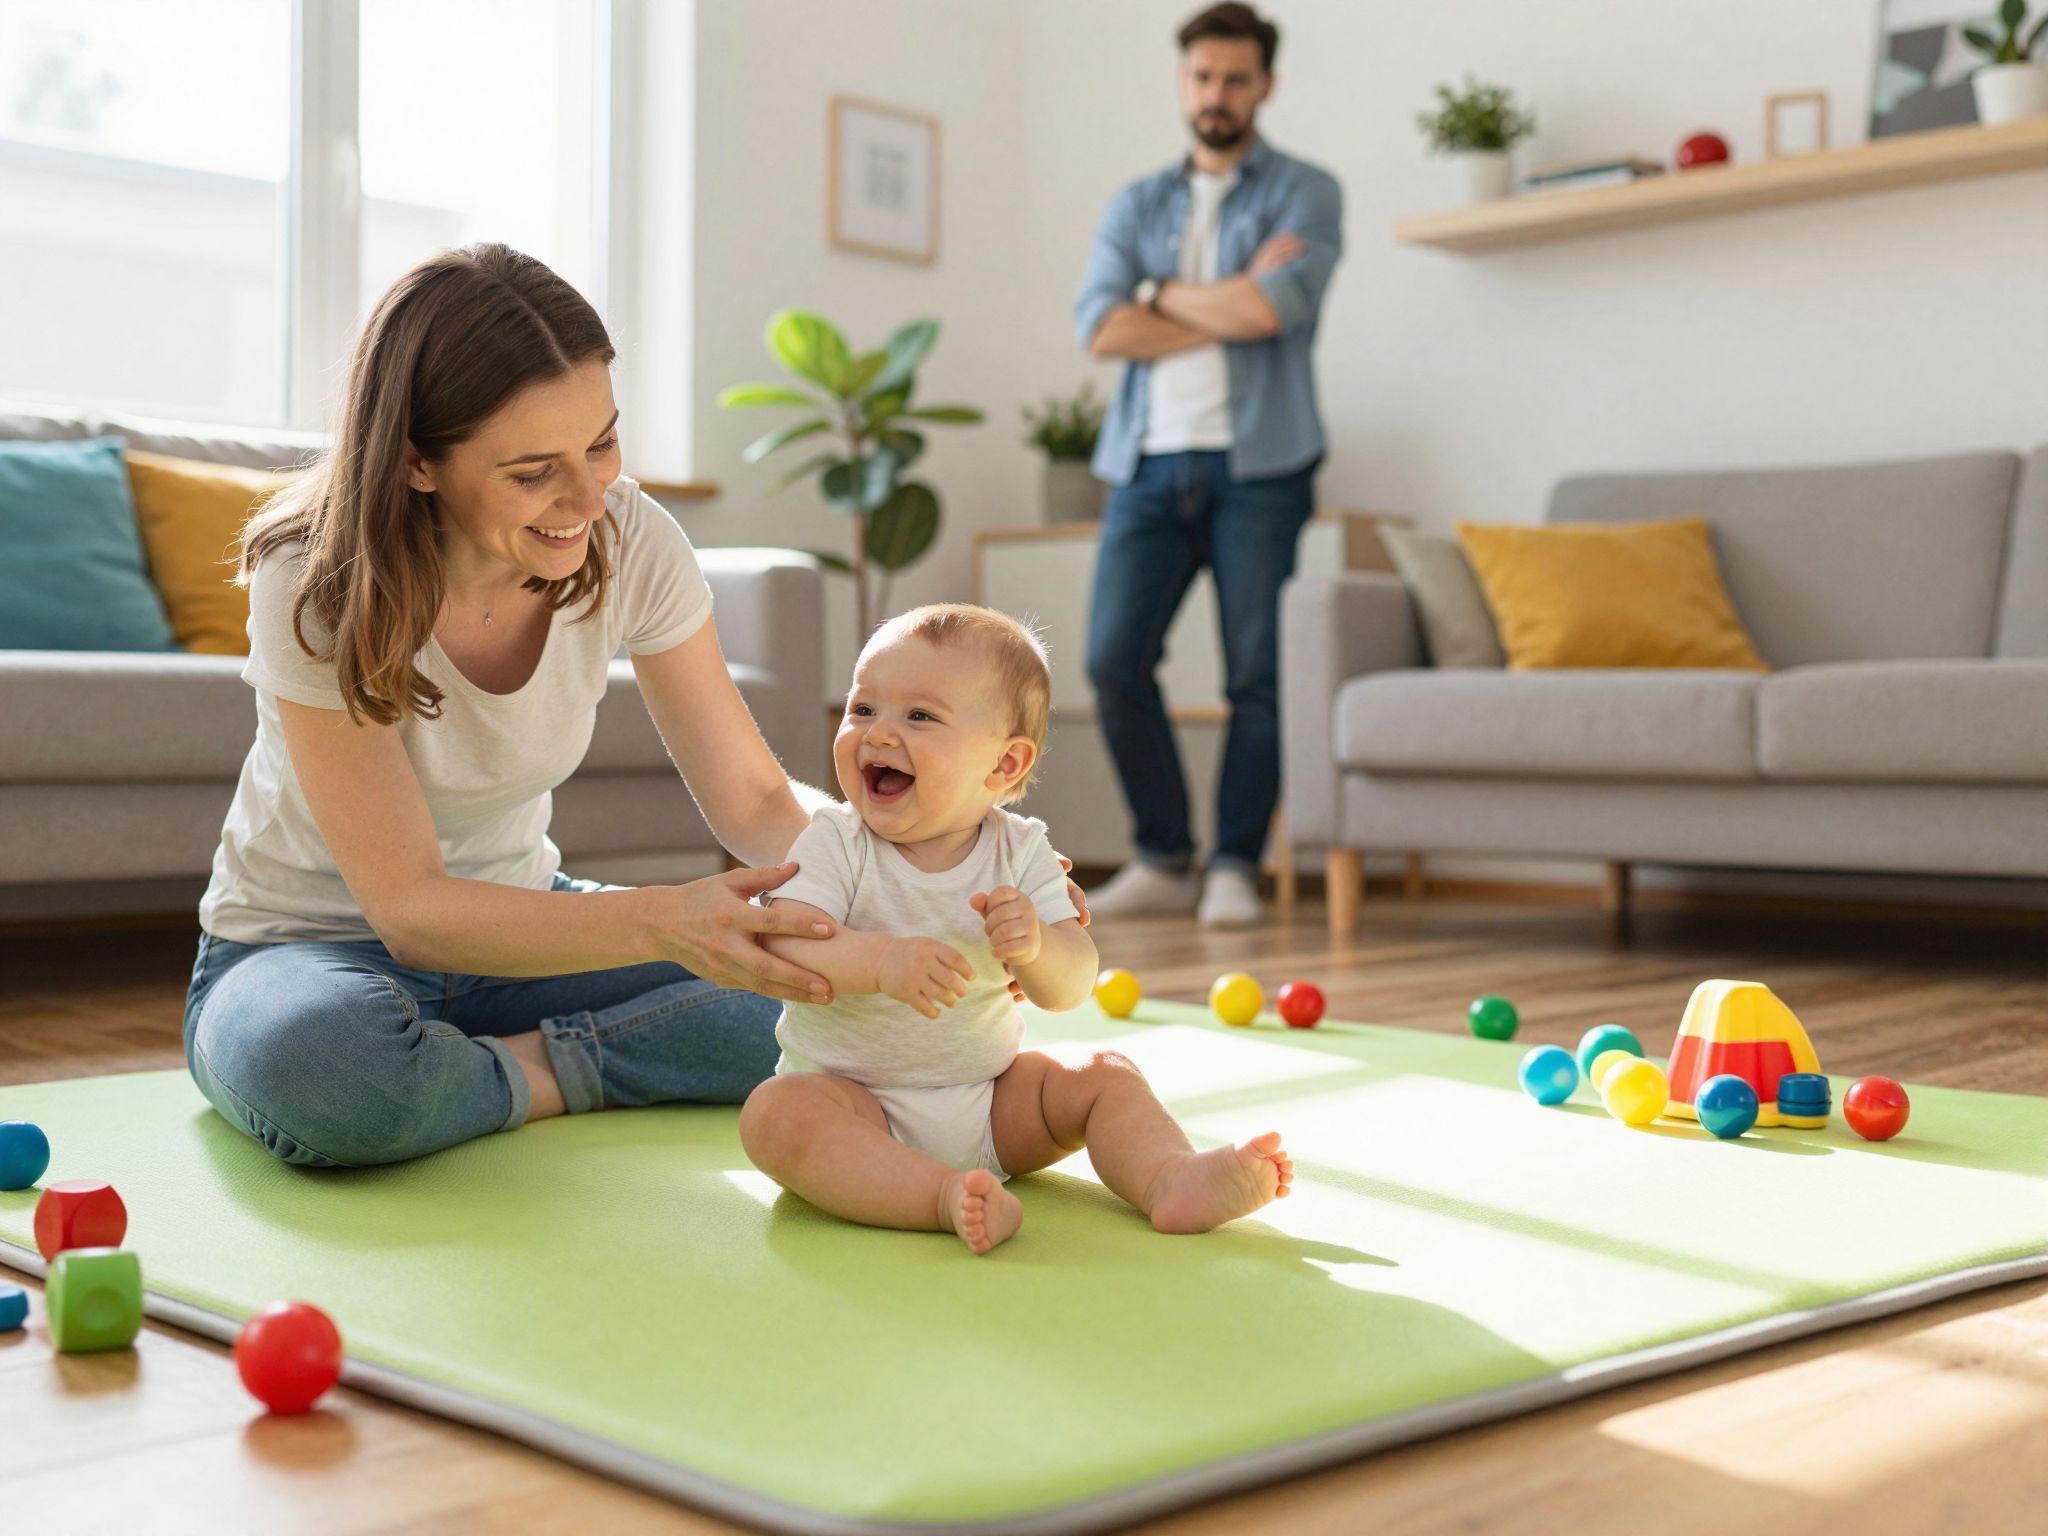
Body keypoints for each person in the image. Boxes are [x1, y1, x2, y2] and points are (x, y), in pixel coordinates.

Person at [184, 244, 1085, 1169]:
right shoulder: (316, 579)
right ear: (419, 463)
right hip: (303, 953)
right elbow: (410, 908)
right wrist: (666, 921)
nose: (588, 498)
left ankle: (505, 1075)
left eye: (602, 443)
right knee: (331, 1076)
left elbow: (754, 801)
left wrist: (929, 873)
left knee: (837, 1005)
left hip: (526, 936)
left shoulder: (635, 542)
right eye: (535, 471)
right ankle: (552, 1072)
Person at [737, 605, 1293, 1255]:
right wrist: (879, 960)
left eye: (919, 716)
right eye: (863, 708)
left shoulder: (1023, 850)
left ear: (1004, 766)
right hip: (856, 1105)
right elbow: (785, 939)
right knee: (774, 1116)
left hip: (992, 1100)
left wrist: (1037, 947)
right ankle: (940, 1196)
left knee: (1105, 1072)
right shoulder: (835, 839)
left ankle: (1169, 1176)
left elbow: (1070, 986)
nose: (878, 734)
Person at [1074, 2, 1343, 928]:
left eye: (1234, 78)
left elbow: (1278, 310)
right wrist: (1214, 296)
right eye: (1201, 77)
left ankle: (1233, 861)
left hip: (1261, 467)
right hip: (1147, 465)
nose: (1215, 95)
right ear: (1182, 81)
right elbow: (1101, 329)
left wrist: (1156, 294)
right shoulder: (1136, 203)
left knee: (1257, 674)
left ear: (1264, 84)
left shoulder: (1307, 190)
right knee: (1112, 659)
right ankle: (1164, 855)